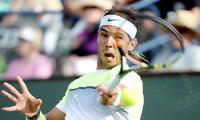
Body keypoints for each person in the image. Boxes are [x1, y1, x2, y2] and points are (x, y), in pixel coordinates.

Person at [1, 7, 144, 120]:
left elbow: (129, 95)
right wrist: (34, 115)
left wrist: (115, 95)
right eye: (104, 35)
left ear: (131, 44)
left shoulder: (130, 78)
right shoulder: (76, 85)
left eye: (118, 37)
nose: (109, 43)